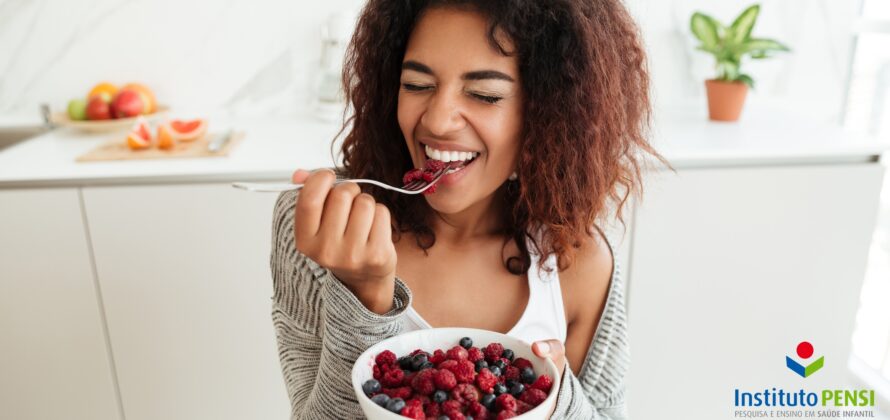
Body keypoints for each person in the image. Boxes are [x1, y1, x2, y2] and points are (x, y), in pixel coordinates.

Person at [270, 0, 668, 418]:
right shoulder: (326, 232)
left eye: (484, 94)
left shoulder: (578, 260)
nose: (438, 121)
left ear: (549, 111)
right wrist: (363, 300)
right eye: (417, 85)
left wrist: (557, 400)